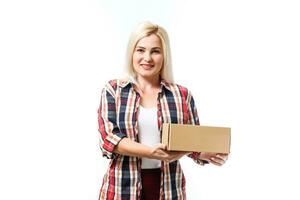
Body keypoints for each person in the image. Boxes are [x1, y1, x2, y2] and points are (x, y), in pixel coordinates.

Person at [97, 21, 229, 200]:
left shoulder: (181, 95)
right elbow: (109, 139)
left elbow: (192, 142)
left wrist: (208, 154)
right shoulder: (113, 90)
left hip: (168, 189)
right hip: (121, 188)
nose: (147, 58)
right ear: (132, 53)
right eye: (140, 50)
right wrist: (150, 152)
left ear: (164, 55)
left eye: (155, 51)